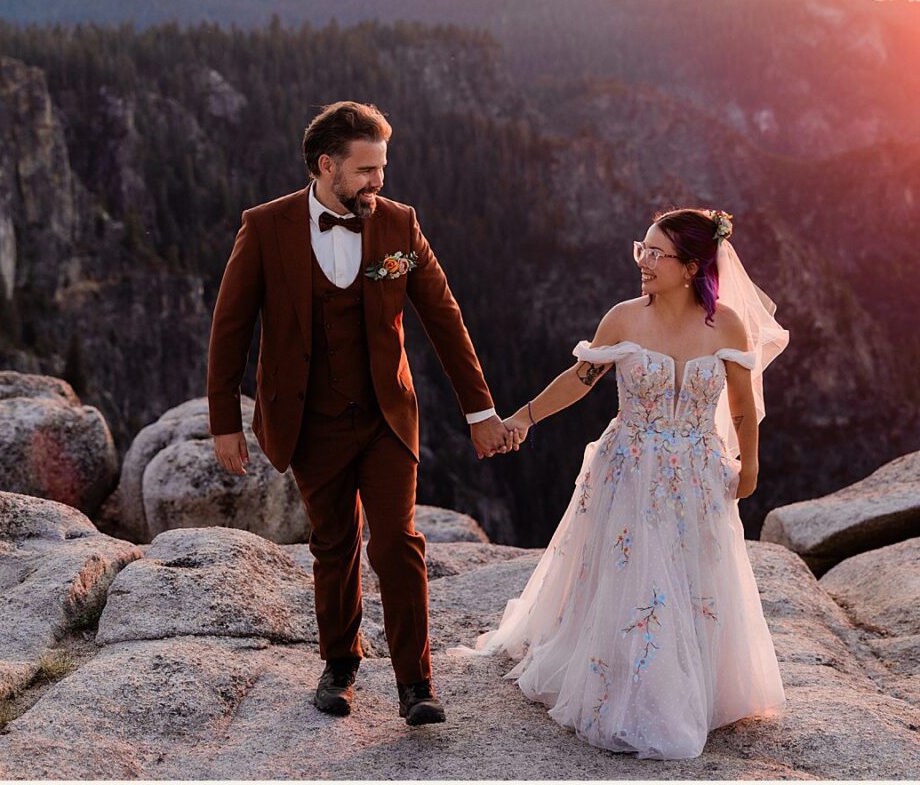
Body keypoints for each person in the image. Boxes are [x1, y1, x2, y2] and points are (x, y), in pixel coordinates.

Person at [205, 100, 522, 728]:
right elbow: (230, 328)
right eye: (367, 169)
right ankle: (340, 666)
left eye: (382, 168)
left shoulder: (399, 225)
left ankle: (415, 683)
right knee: (334, 544)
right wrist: (223, 423)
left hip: (384, 415)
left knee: (398, 543)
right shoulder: (265, 227)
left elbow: (445, 320)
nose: (379, 181)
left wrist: (481, 411)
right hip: (308, 418)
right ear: (327, 166)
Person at [453, 207, 789, 759]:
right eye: (643, 249)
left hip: (699, 473)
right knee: (634, 575)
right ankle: (633, 687)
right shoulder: (625, 318)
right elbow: (581, 380)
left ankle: (694, 684)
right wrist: (521, 418)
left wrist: (748, 466)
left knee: (692, 573)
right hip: (629, 468)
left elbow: (744, 407)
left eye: (657, 254)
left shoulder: (726, 323)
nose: (644, 262)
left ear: (691, 267)